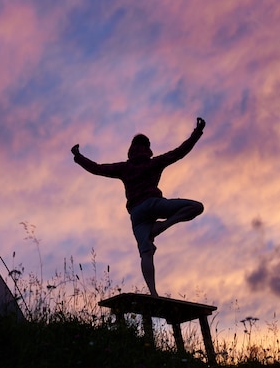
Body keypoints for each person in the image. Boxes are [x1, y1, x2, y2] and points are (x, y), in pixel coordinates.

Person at [71, 117, 206, 297]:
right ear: (148, 148)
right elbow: (180, 152)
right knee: (196, 207)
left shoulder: (124, 167)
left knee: (146, 252)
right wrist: (197, 133)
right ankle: (163, 226)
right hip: (154, 203)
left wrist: (78, 157)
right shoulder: (154, 162)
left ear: (131, 150)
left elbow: (97, 168)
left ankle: (153, 293)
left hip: (137, 214)